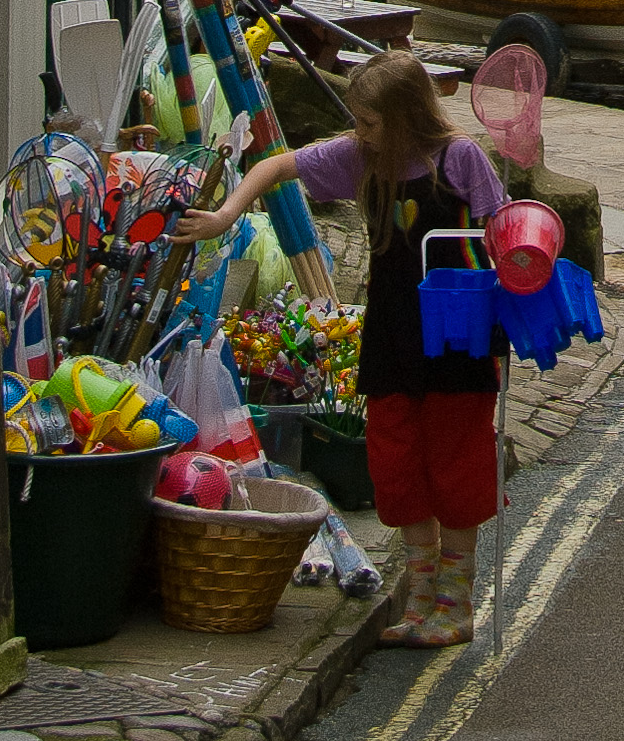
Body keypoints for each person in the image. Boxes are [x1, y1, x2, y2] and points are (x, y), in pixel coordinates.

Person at [180, 51, 505, 647]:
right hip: (392, 333)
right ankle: (421, 597)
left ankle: (455, 606)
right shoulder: (362, 157)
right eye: (357, 122)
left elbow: (506, 240)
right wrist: (228, 213)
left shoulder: (461, 159)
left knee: (456, 463)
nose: (359, 134)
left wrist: (506, 336)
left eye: (370, 123)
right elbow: (277, 166)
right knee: (396, 460)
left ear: (407, 116)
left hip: (461, 335)